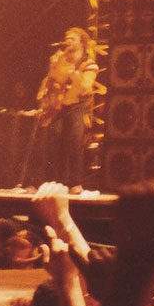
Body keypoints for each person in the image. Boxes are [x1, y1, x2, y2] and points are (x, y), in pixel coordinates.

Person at [37, 27, 98, 188]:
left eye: (72, 39)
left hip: (77, 105)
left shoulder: (90, 65)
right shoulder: (60, 59)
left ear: (82, 43)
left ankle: (75, 183)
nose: (67, 41)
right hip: (59, 106)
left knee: (74, 142)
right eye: (66, 38)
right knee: (53, 140)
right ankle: (56, 181)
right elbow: (51, 80)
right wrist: (44, 92)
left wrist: (74, 73)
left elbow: (84, 88)